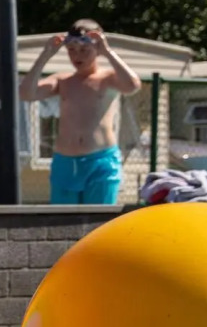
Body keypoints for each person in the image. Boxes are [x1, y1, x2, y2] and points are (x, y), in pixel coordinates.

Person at [20, 19, 143, 205]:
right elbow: (26, 94)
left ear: (97, 50)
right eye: (71, 50)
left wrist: (108, 51)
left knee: (97, 223)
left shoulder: (108, 78)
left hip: (101, 162)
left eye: (84, 50)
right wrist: (45, 56)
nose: (78, 56)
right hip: (65, 163)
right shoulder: (63, 80)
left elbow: (133, 85)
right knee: (63, 224)